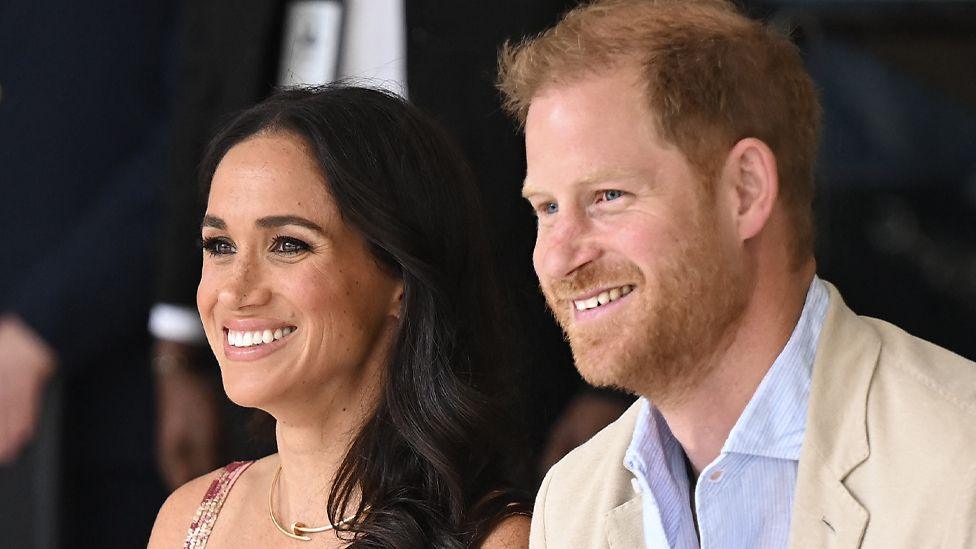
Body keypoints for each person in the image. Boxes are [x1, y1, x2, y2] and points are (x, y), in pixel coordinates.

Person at [496, 0, 976, 547]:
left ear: (744, 191)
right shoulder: (570, 505)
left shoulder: (961, 465)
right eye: (547, 208)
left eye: (607, 196)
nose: (559, 258)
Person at [148, 85, 530, 548]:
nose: (234, 289)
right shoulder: (189, 520)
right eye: (220, 246)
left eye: (289, 244)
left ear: (402, 280)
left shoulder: (498, 540)